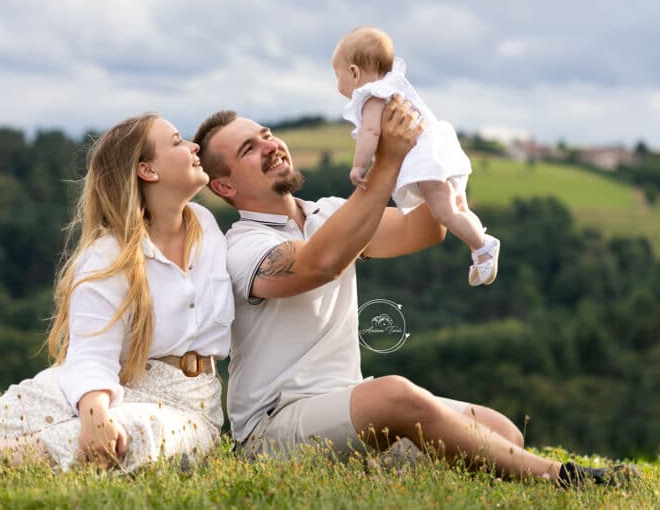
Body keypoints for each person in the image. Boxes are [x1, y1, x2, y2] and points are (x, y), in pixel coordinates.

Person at [193, 98, 635, 486]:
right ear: (225, 187)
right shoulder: (242, 247)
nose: (271, 145)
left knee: (503, 433)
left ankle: (368, 469)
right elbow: (319, 264)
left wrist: (427, 152)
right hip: (272, 429)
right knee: (396, 394)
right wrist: (386, 161)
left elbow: (422, 229)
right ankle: (561, 479)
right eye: (250, 149)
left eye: (267, 135)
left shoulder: (328, 213)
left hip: (344, 409)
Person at [0, 113, 234, 472]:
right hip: (110, 384)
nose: (193, 146)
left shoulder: (206, 228)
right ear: (147, 171)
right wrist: (95, 412)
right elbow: (91, 354)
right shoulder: (110, 255)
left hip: (186, 405)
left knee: (137, 431)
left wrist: (98, 423)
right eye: (177, 142)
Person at [334, 26, 499, 286]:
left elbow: (370, 132)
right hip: (441, 145)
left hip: (426, 160)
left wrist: (358, 166)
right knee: (460, 207)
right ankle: (481, 249)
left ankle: (481, 246)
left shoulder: (372, 96)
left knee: (444, 213)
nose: (338, 85)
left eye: (338, 76)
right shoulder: (394, 83)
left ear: (353, 72)